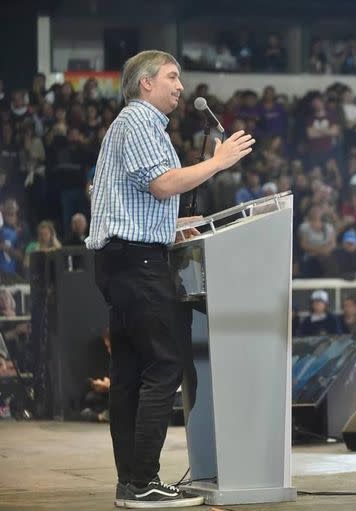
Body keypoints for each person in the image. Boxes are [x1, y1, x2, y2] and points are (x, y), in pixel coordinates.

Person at [87, 50, 255, 508]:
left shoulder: (129, 126)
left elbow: (136, 198)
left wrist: (170, 225)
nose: (181, 87)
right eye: (172, 77)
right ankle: (144, 482)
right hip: (137, 263)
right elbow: (162, 185)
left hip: (123, 259)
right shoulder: (138, 123)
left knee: (129, 375)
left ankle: (131, 483)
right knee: (163, 367)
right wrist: (218, 162)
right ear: (145, 83)